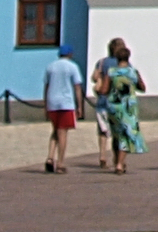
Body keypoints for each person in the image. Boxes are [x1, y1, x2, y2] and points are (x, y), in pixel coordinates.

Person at [92, 39, 146, 172]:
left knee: (116, 135)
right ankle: (120, 164)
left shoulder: (111, 72)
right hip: (128, 107)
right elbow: (143, 88)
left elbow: (104, 90)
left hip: (113, 106)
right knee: (125, 135)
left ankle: (116, 159)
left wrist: (98, 89)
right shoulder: (133, 72)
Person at [39, 42, 86, 173]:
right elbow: (77, 87)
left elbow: (46, 86)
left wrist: (45, 104)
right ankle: (60, 163)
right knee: (63, 132)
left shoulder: (50, 67)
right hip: (66, 102)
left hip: (52, 101)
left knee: (55, 130)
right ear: (70, 54)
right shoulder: (72, 67)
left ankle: (50, 157)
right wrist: (80, 106)